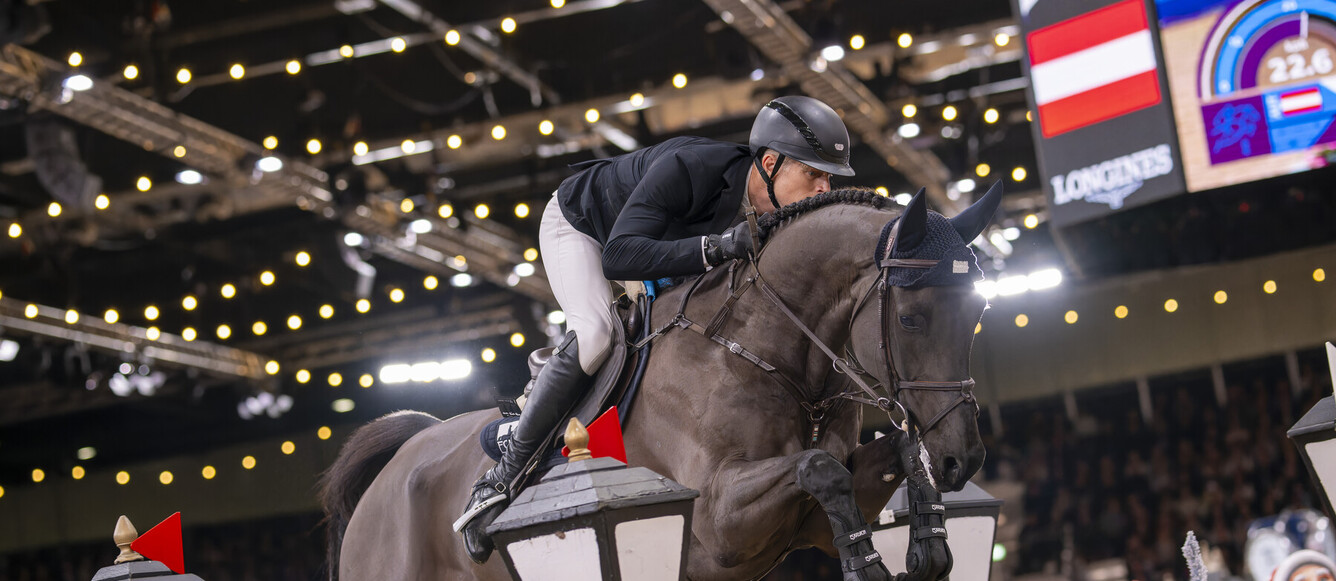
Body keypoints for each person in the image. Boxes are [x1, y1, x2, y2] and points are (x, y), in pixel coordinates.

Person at [455, 95, 856, 563]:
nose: (824, 189)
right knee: (597, 336)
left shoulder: (778, 212)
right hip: (585, 228)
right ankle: (503, 474)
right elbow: (620, 255)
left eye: (829, 177)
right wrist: (719, 245)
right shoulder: (691, 168)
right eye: (815, 174)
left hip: (655, 251)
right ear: (770, 163)